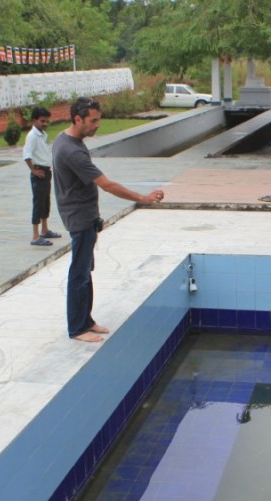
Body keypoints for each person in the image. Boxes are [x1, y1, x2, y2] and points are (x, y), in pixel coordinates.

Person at [52, 97, 165, 343]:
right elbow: (107, 185)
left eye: (98, 120)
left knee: (85, 271)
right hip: (79, 218)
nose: (97, 125)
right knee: (79, 273)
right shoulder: (71, 151)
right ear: (77, 119)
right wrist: (142, 198)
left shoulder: (69, 140)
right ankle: (77, 328)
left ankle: (87, 320)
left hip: (85, 216)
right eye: (93, 121)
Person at [23, 107, 61, 246]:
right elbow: (27, 155)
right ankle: (35, 235)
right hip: (39, 172)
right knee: (38, 203)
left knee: (46, 202)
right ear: (34, 120)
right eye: (42, 121)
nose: (45, 124)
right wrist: (33, 170)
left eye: (47, 121)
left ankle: (45, 229)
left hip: (46, 172)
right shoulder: (32, 136)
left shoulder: (42, 134)